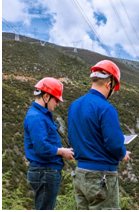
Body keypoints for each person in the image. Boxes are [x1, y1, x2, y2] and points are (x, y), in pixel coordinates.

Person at [68, 60, 131, 210]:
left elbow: (72, 137)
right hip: (101, 177)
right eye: (114, 87)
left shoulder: (74, 105)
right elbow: (114, 143)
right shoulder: (106, 108)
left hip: (80, 174)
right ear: (109, 83)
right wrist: (122, 154)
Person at [24, 77, 74, 210]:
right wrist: (62, 151)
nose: (57, 103)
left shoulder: (41, 115)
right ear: (46, 96)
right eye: (56, 99)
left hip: (45, 172)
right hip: (45, 172)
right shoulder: (36, 117)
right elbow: (41, 148)